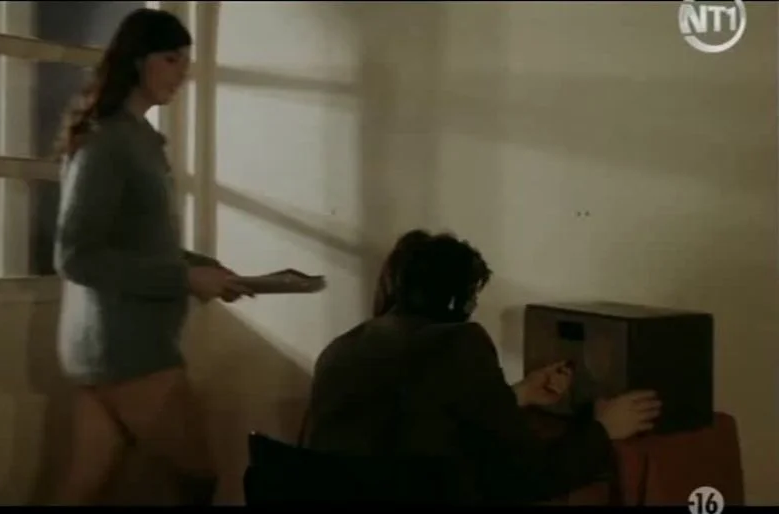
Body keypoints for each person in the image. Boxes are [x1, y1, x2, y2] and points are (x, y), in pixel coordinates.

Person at [51, 8, 251, 505]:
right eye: (171, 59)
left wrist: (202, 268)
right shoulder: (108, 142)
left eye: (186, 61)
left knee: (84, 489)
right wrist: (184, 279)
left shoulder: (137, 139)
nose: (182, 73)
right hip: (129, 349)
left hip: (109, 349)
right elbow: (75, 256)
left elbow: (144, 243)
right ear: (138, 61)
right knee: (199, 478)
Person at [300, 231, 662, 504]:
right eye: (472, 297)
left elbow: (413, 415)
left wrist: (515, 395)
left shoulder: (341, 348)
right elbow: (526, 478)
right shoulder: (460, 342)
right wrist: (603, 428)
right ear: (456, 300)